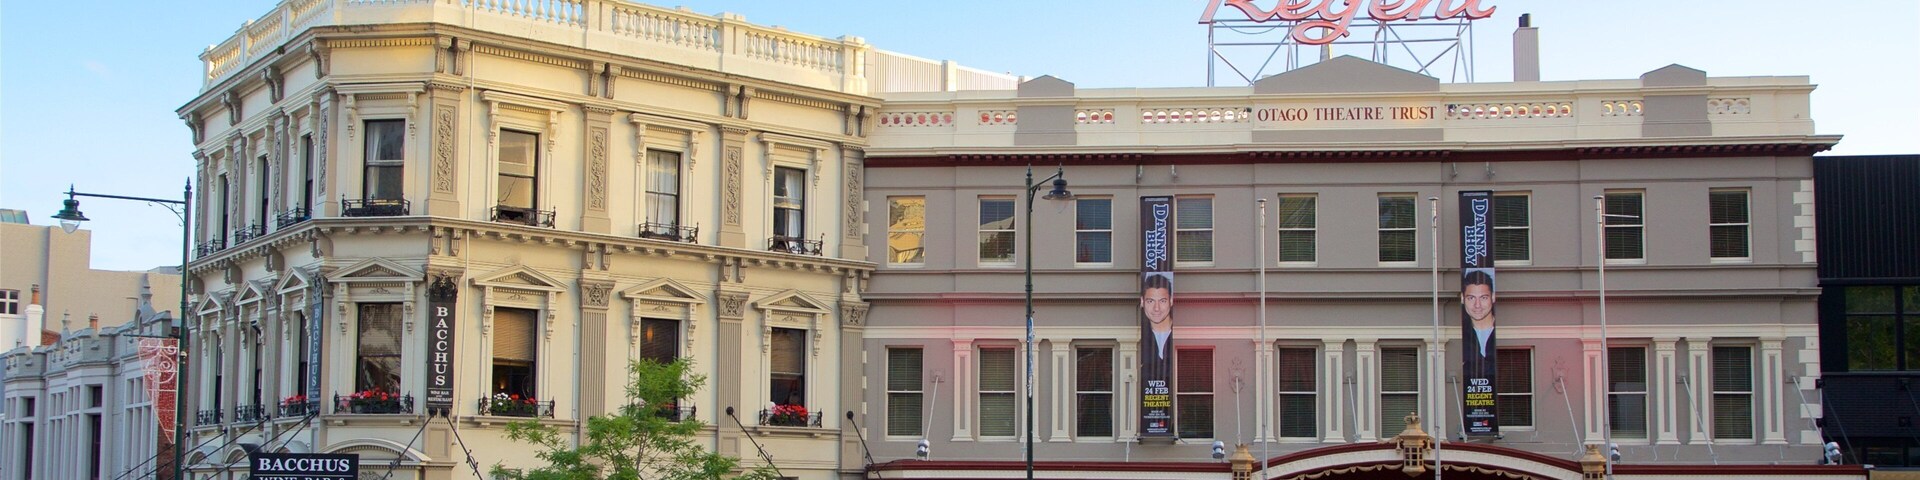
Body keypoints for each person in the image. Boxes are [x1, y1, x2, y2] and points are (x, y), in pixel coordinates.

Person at [1460, 269, 1497, 382]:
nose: (1477, 305)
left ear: (1493, 297)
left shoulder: (1499, 332)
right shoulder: (1463, 335)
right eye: (1471, 298)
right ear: (1462, 299)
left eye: (1483, 298)